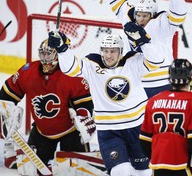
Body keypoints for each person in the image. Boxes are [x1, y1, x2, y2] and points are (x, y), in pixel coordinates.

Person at [47, 31, 160, 176]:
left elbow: (157, 61)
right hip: (109, 131)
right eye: (105, 51)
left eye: (113, 51)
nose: (108, 55)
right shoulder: (92, 64)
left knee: (144, 172)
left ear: (120, 52)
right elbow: (70, 69)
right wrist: (63, 50)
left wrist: (145, 42)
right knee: (121, 171)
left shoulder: (133, 61)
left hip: (138, 128)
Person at [0, 39, 95, 174]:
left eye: (48, 54)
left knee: (78, 171)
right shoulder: (28, 71)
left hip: (71, 132)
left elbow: (84, 102)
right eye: (42, 54)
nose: (44, 58)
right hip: (42, 132)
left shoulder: (71, 74)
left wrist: (84, 118)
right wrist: (7, 114)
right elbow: (7, 93)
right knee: (28, 169)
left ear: (57, 55)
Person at [99, 0, 187, 98]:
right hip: (136, 82)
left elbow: (179, 14)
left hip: (163, 82)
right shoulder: (129, 19)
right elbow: (118, 2)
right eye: (138, 15)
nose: (140, 19)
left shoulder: (163, 23)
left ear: (152, 15)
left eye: (145, 16)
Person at [140, 58, 192, 176]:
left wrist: (162, 157)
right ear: (190, 78)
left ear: (170, 78)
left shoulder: (154, 101)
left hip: (157, 168)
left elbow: (145, 141)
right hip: (185, 168)